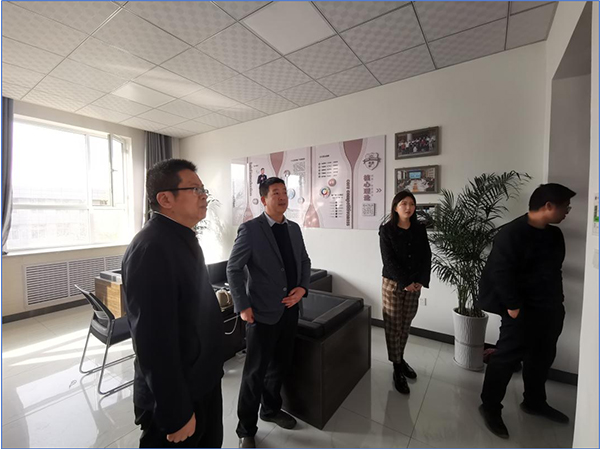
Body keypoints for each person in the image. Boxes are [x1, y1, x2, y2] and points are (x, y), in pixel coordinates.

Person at [122, 159, 224, 448]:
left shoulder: (181, 237)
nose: (204, 196)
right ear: (166, 199)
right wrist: (176, 413)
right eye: (195, 189)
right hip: (177, 397)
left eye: (204, 189)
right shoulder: (152, 248)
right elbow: (153, 341)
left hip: (199, 380)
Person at [478, 183, 576, 439]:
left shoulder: (555, 235)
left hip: (550, 309)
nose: (567, 212)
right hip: (521, 310)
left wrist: (557, 301)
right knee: (505, 359)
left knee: (541, 358)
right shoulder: (511, 233)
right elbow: (500, 273)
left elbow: (555, 270)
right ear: (548, 206)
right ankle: (490, 407)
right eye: (565, 207)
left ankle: (534, 401)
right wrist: (512, 307)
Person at [227, 177, 311, 448]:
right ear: (264, 200)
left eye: (285, 192)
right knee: (255, 372)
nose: (283, 196)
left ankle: (271, 409)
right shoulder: (251, 229)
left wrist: (302, 288)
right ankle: (245, 429)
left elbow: (304, 261)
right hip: (261, 312)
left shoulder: (294, 228)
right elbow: (233, 268)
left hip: (289, 311)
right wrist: (242, 306)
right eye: (276, 193)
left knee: (279, 365)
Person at [379, 190, 431, 394]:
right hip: (392, 285)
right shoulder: (387, 230)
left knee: (406, 324)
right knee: (394, 326)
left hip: (415, 285)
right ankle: (397, 367)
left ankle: (400, 359)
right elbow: (388, 261)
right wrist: (406, 282)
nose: (408, 208)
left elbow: (426, 256)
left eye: (411, 204)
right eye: (403, 204)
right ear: (395, 207)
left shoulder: (419, 228)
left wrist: (421, 281)